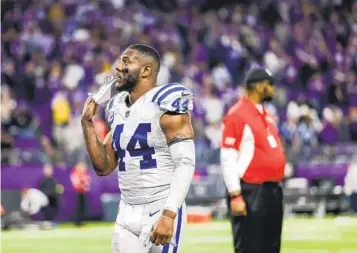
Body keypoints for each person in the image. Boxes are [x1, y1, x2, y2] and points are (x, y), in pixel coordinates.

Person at [81, 44, 195, 253]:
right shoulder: (117, 107)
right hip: (127, 209)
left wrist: (169, 214)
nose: (118, 67)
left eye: (126, 61)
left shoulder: (166, 102)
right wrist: (87, 122)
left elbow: (185, 163)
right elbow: (103, 166)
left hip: (159, 205)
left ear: (146, 70)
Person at [220, 68, 286, 253]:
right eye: (269, 84)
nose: (273, 88)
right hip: (250, 191)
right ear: (258, 87)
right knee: (250, 247)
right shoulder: (237, 114)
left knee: (271, 247)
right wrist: (235, 195)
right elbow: (228, 156)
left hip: (272, 190)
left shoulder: (266, 114)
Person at [70, 161, 91, 226]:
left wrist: (86, 185)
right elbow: (76, 182)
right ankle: (77, 221)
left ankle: (81, 221)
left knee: (83, 207)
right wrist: (83, 185)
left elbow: (87, 181)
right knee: (78, 207)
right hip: (78, 192)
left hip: (82, 192)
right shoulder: (76, 173)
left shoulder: (83, 173)